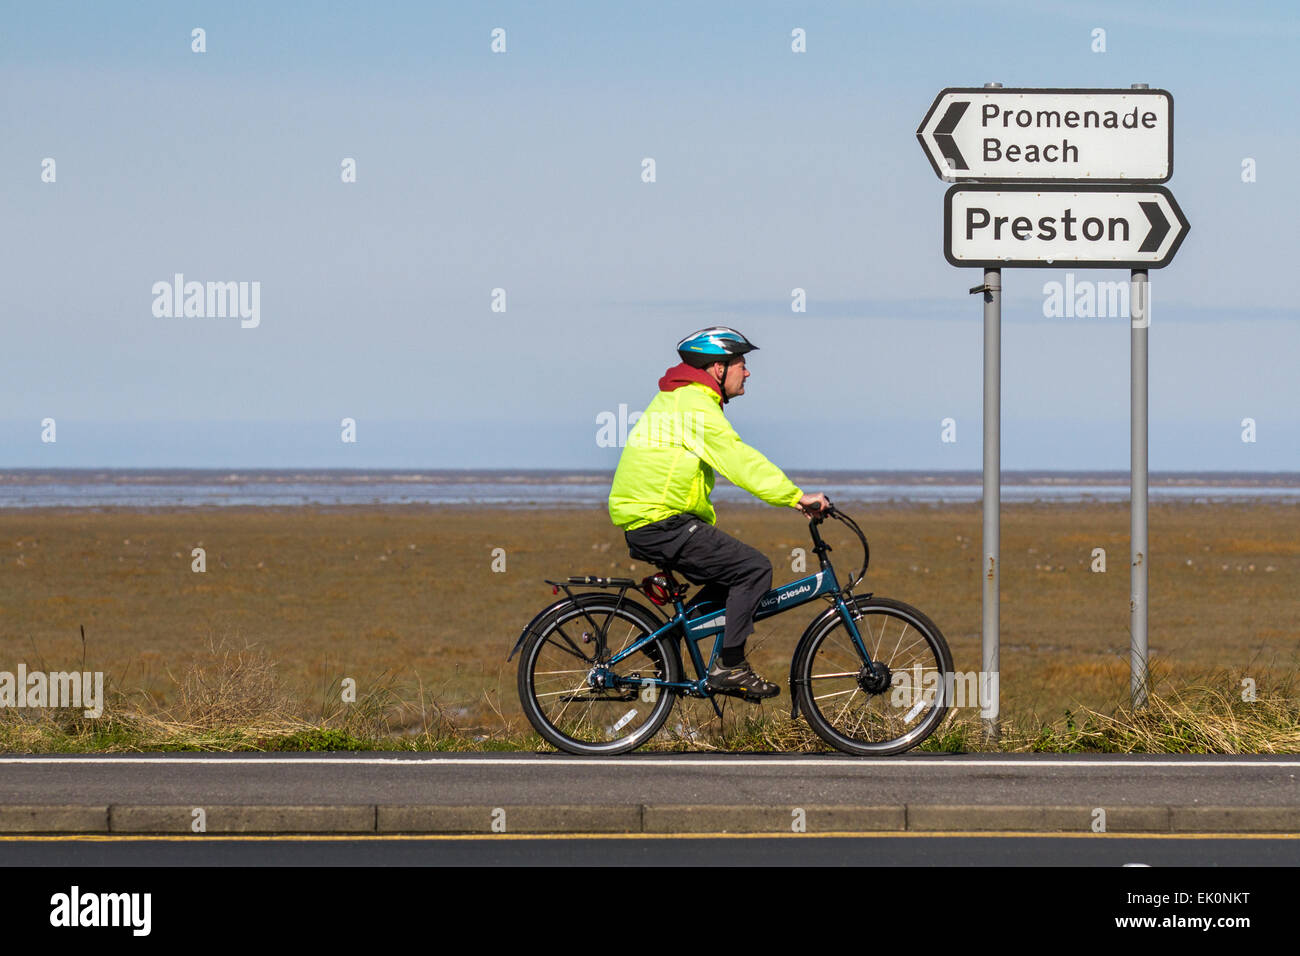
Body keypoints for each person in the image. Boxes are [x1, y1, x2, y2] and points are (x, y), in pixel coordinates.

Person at [607, 327, 829, 700]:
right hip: (660, 521)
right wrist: (795, 497)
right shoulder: (692, 404)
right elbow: (736, 458)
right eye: (741, 363)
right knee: (753, 569)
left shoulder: (686, 399)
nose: (748, 371)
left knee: (730, 580)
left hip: (657, 520)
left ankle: (665, 641)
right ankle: (730, 667)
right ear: (717, 368)